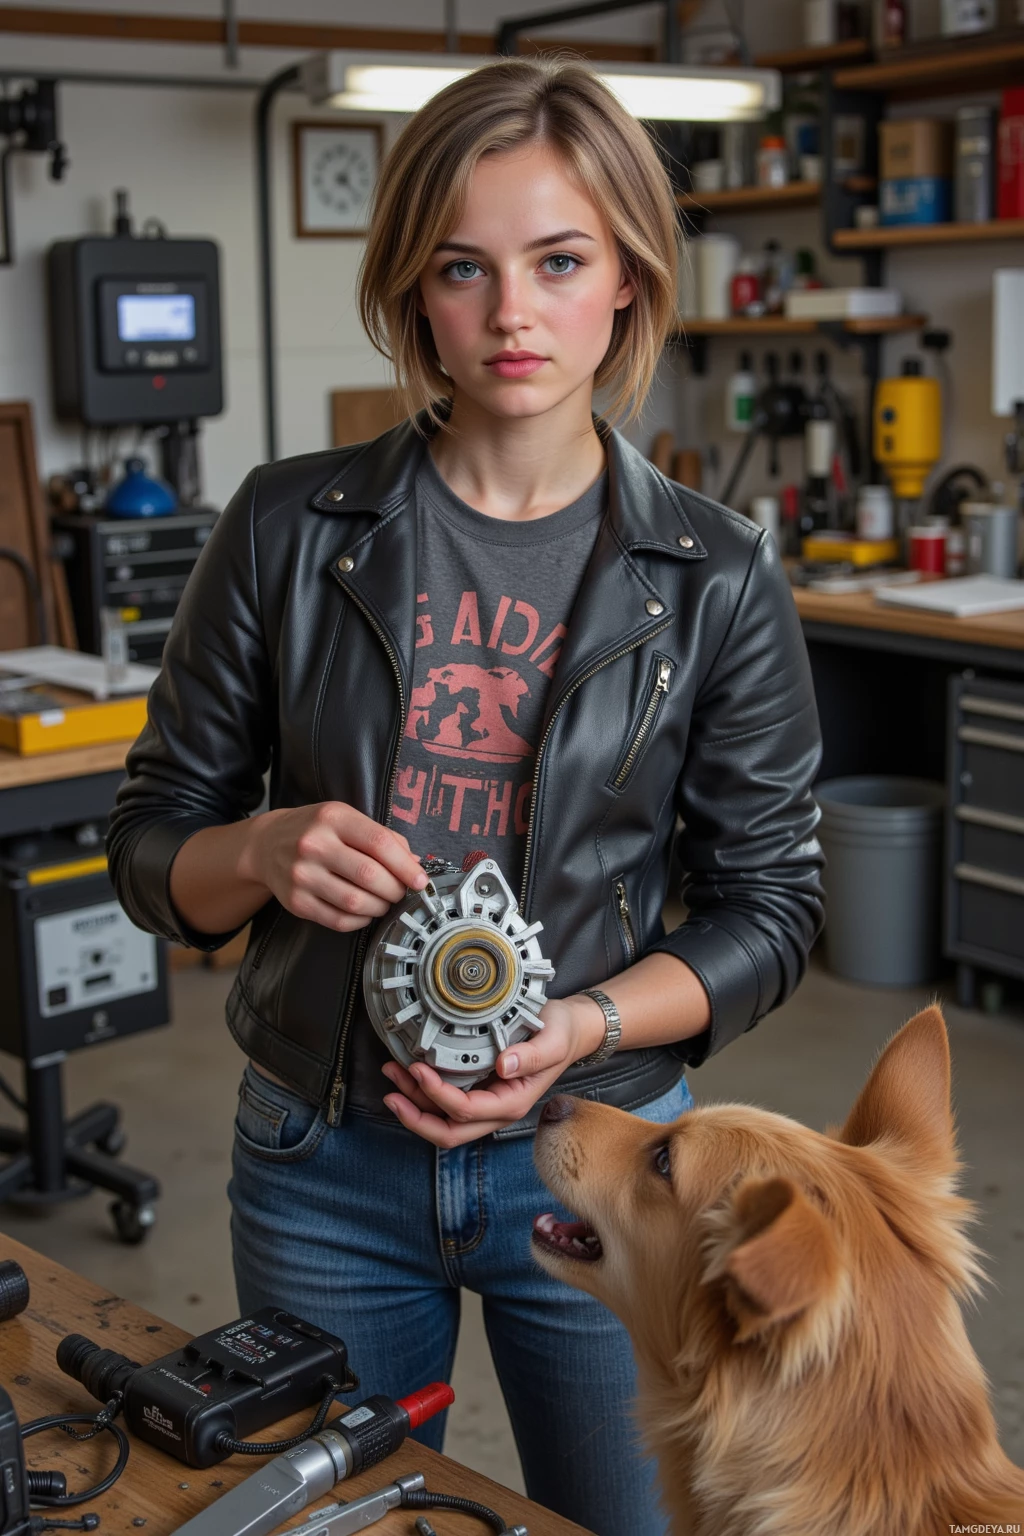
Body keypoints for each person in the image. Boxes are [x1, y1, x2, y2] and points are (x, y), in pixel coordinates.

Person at [107, 56, 824, 1536]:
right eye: (462, 268)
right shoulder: (288, 527)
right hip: (324, 1161)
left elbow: (771, 907)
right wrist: (261, 847)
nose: (511, 313)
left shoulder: (717, 576)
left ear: (626, 280)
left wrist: (582, 1027)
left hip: (607, 1160)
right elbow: (150, 845)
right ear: (413, 292)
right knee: (343, 1520)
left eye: (558, 261)